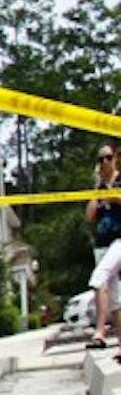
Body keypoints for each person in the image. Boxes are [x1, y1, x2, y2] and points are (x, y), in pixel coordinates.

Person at [87, 144, 121, 349]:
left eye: (108, 157)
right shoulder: (99, 187)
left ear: (115, 158)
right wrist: (97, 186)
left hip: (119, 239)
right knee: (116, 298)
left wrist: (113, 196)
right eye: (101, 159)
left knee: (98, 278)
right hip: (102, 243)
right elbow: (90, 216)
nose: (105, 162)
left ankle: (100, 331)